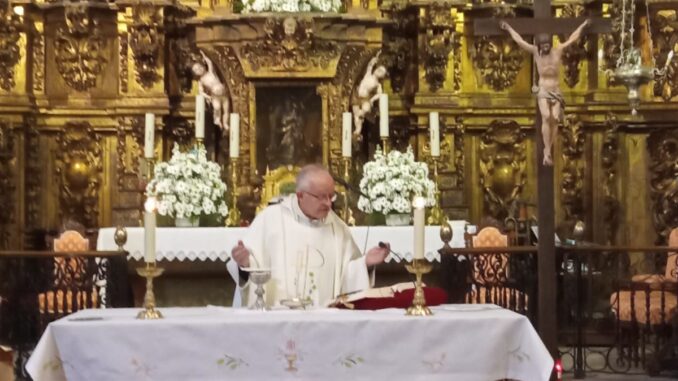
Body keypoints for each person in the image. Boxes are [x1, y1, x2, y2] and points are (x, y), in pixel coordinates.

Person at [229, 164, 390, 307]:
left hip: (322, 325)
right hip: (278, 321)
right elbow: (251, 272)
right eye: (321, 197)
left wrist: (365, 264)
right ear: (300, 195)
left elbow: (347, 278)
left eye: (331, 196)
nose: (328, 203)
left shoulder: (338, 228)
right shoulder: (270, 220)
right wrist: (245, 263)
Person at [500, 19, 590, 166]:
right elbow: (520, 42)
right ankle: (546, 152)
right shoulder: (536, 52)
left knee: (555, 117)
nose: (546, 47)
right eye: (544, 45)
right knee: (546, 117)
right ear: (540, 45)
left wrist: (583, 25)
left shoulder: (558, 50)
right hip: (543, 90)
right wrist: (509, 29)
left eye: (548, 45)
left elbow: (573, 38)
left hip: (555, 89)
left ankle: (548, 150)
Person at [352, 52, 388, 138]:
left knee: (366, 108)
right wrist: (376, 56)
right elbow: (370, 65)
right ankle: (357, 130)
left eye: (381, 72)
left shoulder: (377, 84)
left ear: (382, 76)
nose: (379, 71)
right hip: (356, 95)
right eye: (379, 69)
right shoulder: (368, 74)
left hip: (365, 98)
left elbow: (380, 95)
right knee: (356, 115)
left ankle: (358, 127)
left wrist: (372, 100)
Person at [192, 50, 230, 130]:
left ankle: (225, 123)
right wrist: (208, 97)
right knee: (217, 107)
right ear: (195, 74)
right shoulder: (201, 81)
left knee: (226, 110)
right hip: (215, 96)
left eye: (199, 67)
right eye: (196, 70)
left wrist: (204, 56)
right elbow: (201, 92)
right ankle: (217, 121)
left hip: (224, 93)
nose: (199, 70)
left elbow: (210, 63)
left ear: (202, 66)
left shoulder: (211, 72)